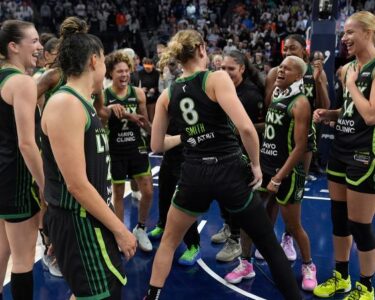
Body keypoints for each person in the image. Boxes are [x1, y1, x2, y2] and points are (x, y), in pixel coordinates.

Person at [143, 29, 301, 300]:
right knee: (268, 243)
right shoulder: (215, 78)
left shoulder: (167, 95)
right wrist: (255, 165)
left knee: (169, 242)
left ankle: (152, 295)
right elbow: (247, 130)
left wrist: (186, 136)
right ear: (202, 49)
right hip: (228, 169)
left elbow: (156, 146)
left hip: (193, 173)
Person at [41, 25, 137, 300]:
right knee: (103, 294)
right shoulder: (66, 104)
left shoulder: (82, 103)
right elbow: (76, 185)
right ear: (94, 59)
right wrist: (120, 229)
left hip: (85, 220)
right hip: (80, 221)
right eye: (104, 59)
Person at [313, 11, 375, 299]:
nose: (345, 38)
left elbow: (371, 114)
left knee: (359, 224)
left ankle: (366, 285)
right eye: (343, 33)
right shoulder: (347, 68)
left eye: (351, 32)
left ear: (368, 32)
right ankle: (341, 278)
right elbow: (350, 110)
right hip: (340, 148)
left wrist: (351, 83)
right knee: (338, 218)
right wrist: (330, 114)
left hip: (364, 154)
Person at [260, 34, 330, 261]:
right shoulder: (275, 73)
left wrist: (318, 80)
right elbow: (270, 105)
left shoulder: (313, 72)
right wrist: (281, 85)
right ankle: (267, 238)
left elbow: (324, 106)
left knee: (292, 192)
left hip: (304, 139)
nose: (289, 51)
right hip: (279, 136)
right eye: (286, 48)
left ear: (304, 50)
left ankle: (288, 237)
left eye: (294, 48)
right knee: (270, 195)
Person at [0, 20, 44, 300]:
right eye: (34, 41)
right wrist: (46, 185)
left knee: (2, 253)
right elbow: (27, 143)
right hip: (17, 179)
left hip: (1, 174)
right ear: (13, 46)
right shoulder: (23, 82)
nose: (40, 46)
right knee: (23, 259)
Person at [211, 50, 265, 265]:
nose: (225, 72)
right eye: (222, 68)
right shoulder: (223, 88)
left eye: (230, 69)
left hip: (242, 154)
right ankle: (228, 228)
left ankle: (236, 240)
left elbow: (252, 128)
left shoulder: (249, 94)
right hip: (225, 151)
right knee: (223, 196)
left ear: (242, 69)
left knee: (237, 200)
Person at [104, 51, 154, 252]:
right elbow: (98, 121)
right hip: (115, 148)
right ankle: (120, 233)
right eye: (119, 71)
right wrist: (109, 111)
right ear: (110, 73)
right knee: (117, 193)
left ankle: (140, 228)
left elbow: (145, 122)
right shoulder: (104, 96)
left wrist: (160, 136)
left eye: (126, 71)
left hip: (136, 146)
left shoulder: (138, 93)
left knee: (148, 191)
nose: (124, 75)